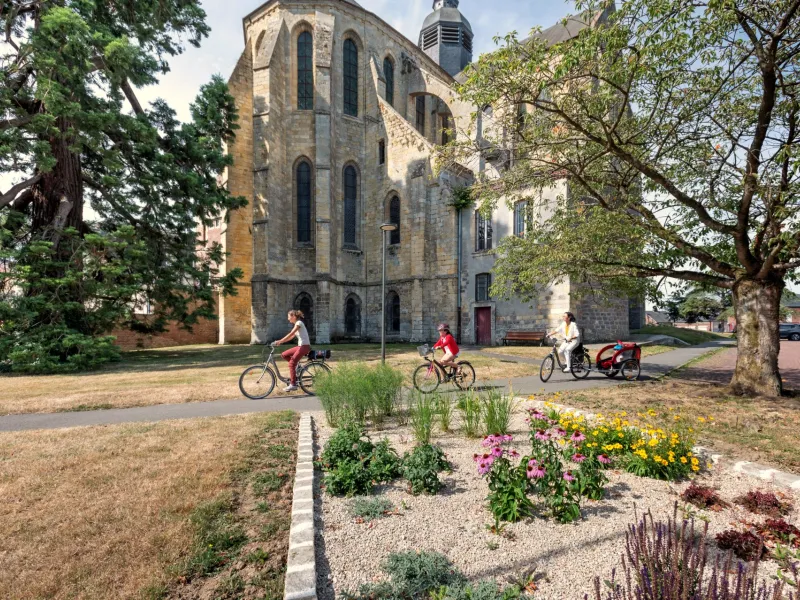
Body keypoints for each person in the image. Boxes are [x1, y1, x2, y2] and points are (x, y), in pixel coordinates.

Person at [271, 310, 311, 392]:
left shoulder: (299, 323)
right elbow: (291, 336)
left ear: (293, 316)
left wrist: (280, 341)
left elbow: (291, 333)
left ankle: (293, 384)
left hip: (304, 346)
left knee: (291, 363)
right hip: (301, 346)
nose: (288, 318)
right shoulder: (296, 324)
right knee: (284, 355)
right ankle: (297, 366)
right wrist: (281, 342)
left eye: (289, 316)